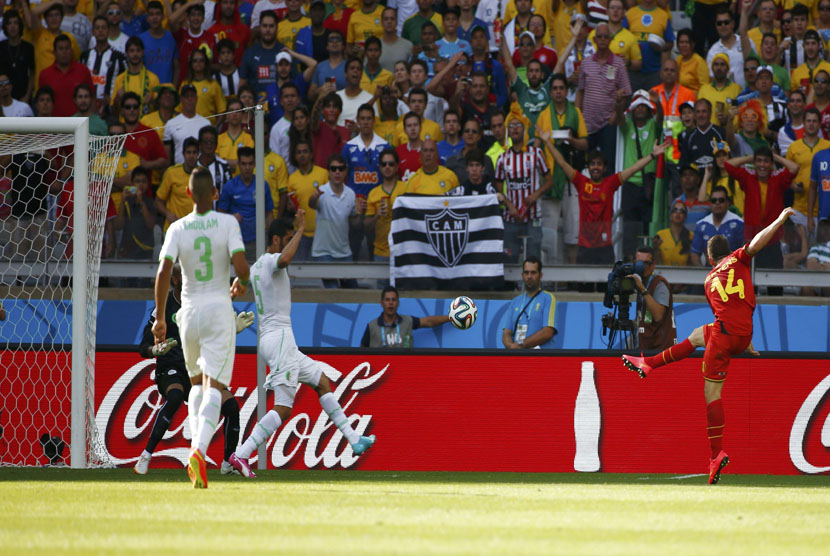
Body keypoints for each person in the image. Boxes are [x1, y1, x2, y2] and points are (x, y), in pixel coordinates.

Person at [622, 207, 797, 485]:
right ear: (729, 251)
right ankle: (650, 364)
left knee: (711, 393)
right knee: (695, 336)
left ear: (709, 256)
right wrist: (747, 341)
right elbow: (741, 300)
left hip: (727, 336)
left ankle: (716, 455)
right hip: (741, 332)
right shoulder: (739, 261)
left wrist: (779, 220)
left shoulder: (708, 280)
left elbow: (728, 303)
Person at [229, 215, 375, 478]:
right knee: (283, 408)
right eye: (285, 240)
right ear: (275, 240)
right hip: (280, 338)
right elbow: (283, 259)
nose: (289, 245)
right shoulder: (273, 261)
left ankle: (354, 439)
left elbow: (242, 281)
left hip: (276, 340)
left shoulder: (256, 267)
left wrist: (237, 287)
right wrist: (301, 229)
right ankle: (241, 455)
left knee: (321, 381)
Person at [153, 166, 251, 489]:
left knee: (195, 383)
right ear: (216, 194)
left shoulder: (177, 228)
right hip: (218, 308)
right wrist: (242, 282)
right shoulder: (227, 223)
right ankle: (198, 451)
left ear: (187, 193)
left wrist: (160, 317)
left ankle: (195, 455)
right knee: (214, 386)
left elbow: (164, 272)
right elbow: (241, 265)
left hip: (188, 311)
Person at [134, 263, 253, 475]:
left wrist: (233, 329)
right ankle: (145, 456)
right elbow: (143, 346)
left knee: (232, 407)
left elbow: (213, 334)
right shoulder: (163, 307)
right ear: (176, 280)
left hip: (196, 372)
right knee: (175, 396)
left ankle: (227, 463)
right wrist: (155, 350)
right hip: (170, 369)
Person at [542, 134, 668, 264]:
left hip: (605, 247)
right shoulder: (581, 182)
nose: (595, 167)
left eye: (599, 164)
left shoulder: (611, 183)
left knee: (607, 284)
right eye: (592, 164)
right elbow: (562, 163)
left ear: (605, 168)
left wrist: (653, 155)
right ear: (588, 167)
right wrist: (547, 142)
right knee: (582, 284)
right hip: (584, 247)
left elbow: (633, 169)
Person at [495, 116, 552, 262]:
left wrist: (535, 195)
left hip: (533, 218)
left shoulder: (536, 154)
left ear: (525, 129)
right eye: (511, 125)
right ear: (508, 130)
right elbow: (498, 190)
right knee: (509, 259)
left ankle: (535, 285)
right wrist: (509, 206)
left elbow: (549, 181)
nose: (515, 128)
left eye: (518, 125)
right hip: (511, 218)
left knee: (533, 259)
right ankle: (512, 286)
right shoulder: (502, 159)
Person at [308, 153, 359, 288]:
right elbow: (312, 204)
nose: (337, 172)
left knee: (353, 292)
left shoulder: (351, 194)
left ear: (345, 171)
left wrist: (361, 213)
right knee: (333, 291)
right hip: (324, 252)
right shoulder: (322, 192)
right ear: (328, 172)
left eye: (341, 169)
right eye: (333, 169)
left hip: (344, 251)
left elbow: (354, 221)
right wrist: (313, 197)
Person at [217, 146, 275, 260]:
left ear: (255, 164)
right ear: (238, 164)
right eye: (244, 164)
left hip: (258, 240)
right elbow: (220, 215)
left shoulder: (262, 185)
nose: (247, 167)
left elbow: (269, 213)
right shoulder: (230, 186)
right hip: (235, 240)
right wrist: (232, 218)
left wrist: (271, 239)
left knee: (257, 274)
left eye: (250, 163)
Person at [361, 284, 451, 347]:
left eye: (394, 300)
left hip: (404, 370)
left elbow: (429, 321)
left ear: (398, 302)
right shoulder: (371, 326)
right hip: (382, 372)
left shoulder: (408, 321)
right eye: (387, 300)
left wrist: (451, 317)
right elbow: (361, 353)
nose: (391, 303)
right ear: (382, 303)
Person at [501, 256, 556, 350]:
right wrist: (510, 346)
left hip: (540, 358)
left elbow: (548, 332)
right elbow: (507, 332)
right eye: (526, 273)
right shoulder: (515, 301)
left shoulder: (548, 298)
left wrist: (521, 345)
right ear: (522, 275)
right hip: (517, 356)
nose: (529, 276)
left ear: (540, 275)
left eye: (533, 273)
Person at [365, 148, 407, 262]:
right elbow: (366, 226)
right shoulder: (373, 193)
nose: (387, 167)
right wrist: (377, 215)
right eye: (384, 164)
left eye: (391, 164)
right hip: (380, 252)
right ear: (379, 167)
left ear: (397, 167)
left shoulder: (406, 188)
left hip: (403, 251)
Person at [630, 245, 675, 351]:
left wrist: (642, 289)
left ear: (654, 264)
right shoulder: (643, 282)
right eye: (639, 263)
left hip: (660, 350)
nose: (642, 267)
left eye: (646, 263)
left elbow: (658, 316)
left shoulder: (659, 284)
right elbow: (645, 319)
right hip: (646, 348)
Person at [38, 34, 93, 118]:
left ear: (71, 51)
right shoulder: (44, 75)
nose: (64, 52)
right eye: (61, 49)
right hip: (53, 125)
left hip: (78, 124)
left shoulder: (83, 71)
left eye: (67, 48)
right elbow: (41, 103)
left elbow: (92, 98)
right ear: (54, 52)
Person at [690, 186, 744, 266]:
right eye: (714, 200)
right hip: (709, 273)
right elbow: (694, 253)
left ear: (728, 203)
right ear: (710, 203)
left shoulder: (739, 223)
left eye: (721, 200)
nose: (717, 203)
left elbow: (743, 253)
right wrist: (702, 273)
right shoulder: (701, 224)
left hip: (731, 272)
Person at [156, 137, 201, 230]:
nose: (191, 156)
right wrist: (168, 214)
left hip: (195, 229)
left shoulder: (203, 174)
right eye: (188, 152)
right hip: (174, 228)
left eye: (194, 152)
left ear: (198, 154)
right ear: (183, 154)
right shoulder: (171, 173)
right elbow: (158, 202)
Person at [163, 84, 210, 165]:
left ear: (196, 99)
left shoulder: (206, 124)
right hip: (178, 172)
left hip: (200, 172)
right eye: (186, 96)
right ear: (181, 99)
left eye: (192, 96)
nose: (190, 99)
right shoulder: (171, 124)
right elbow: (167, 156)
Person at [654, 200, 694, 267]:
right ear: (670, 215)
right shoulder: (661, 234)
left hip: (685, 274)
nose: (678, 213)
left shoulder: (691, 236)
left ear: (685, 216)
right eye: (675, 210)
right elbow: (656, 263)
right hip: (665, 273)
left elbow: (692, 263)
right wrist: (655, 248)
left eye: (682, 211)